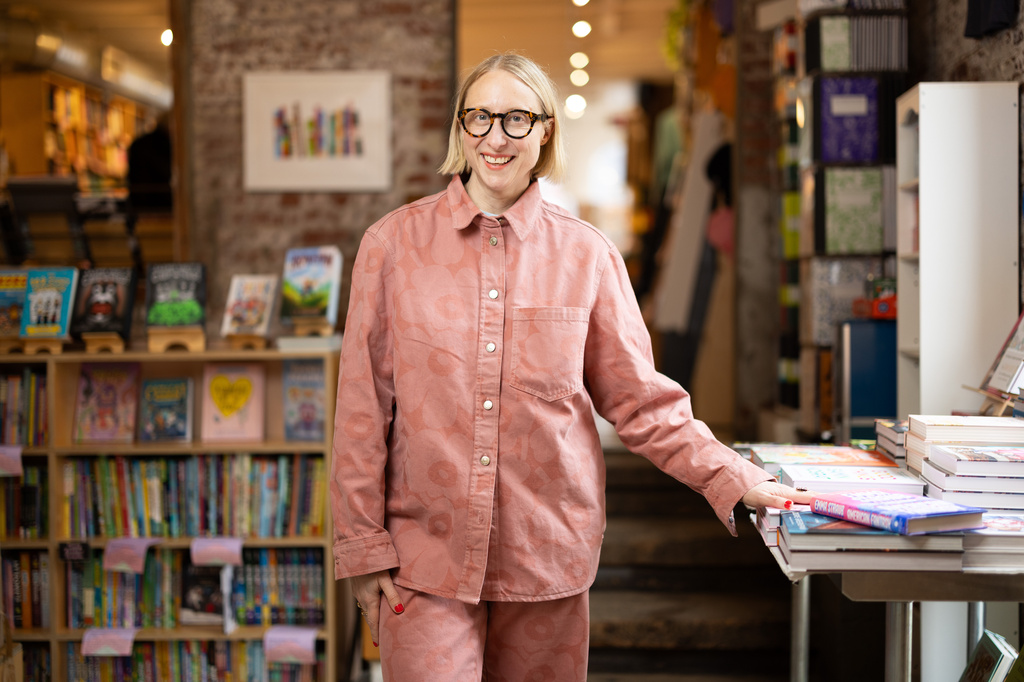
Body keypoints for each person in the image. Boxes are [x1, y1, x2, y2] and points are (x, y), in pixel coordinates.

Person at [329, 52, 812, 681]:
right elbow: (363, 408)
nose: (495, 137)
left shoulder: (588, 256)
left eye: (515, 119)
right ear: (460, 128)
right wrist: (363, 548)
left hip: (547, 554)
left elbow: (641, 402)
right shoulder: (391, 247)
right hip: (425, 561)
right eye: (478, 118)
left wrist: (732, 477)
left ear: (544, 130)